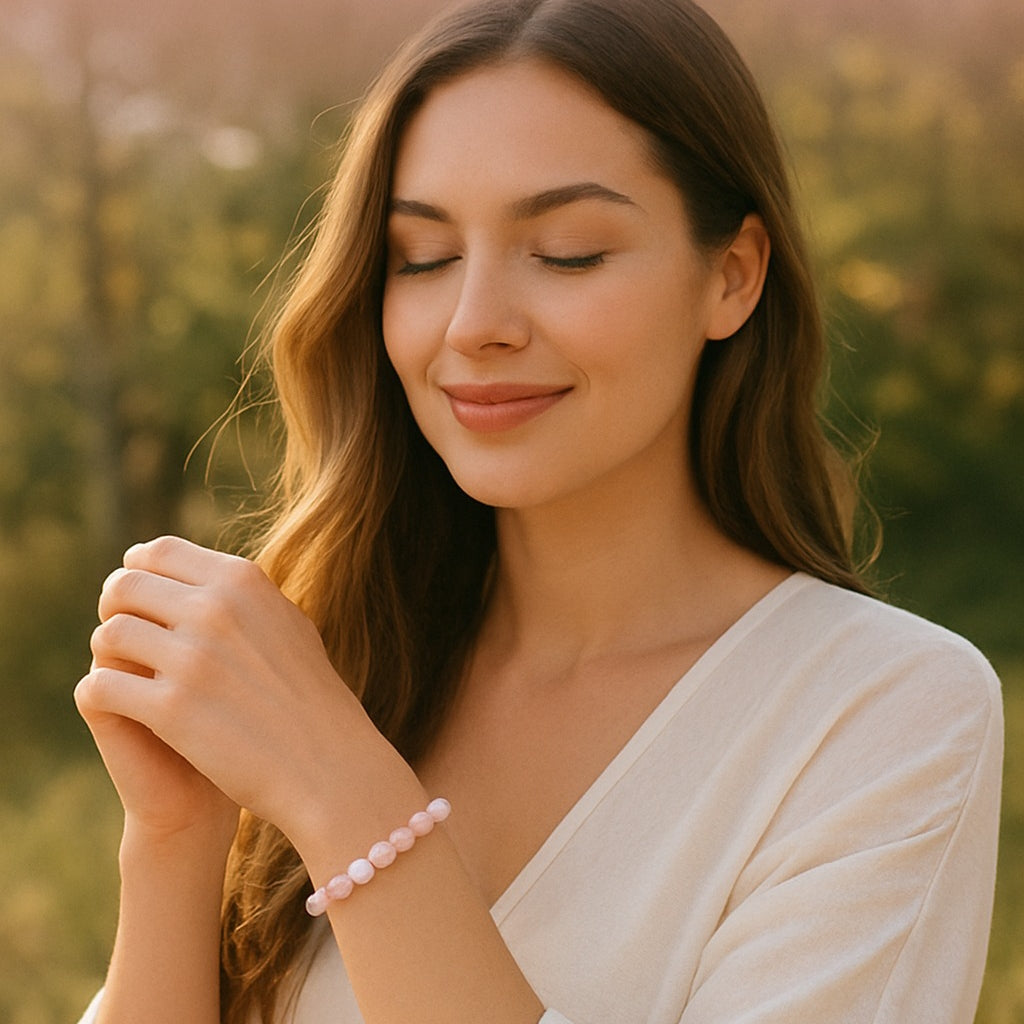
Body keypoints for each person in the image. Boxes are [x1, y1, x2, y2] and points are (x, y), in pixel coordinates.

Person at [73, 0, 1003, 1022]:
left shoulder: (882, 712)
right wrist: (174, 838)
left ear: (730, 276)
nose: (473, 325)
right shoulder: (334, 665)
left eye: (565, 252)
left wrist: (345, 791)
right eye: (421, 259)